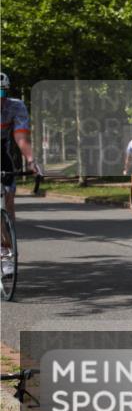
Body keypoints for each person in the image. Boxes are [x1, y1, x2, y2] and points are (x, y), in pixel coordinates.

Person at [1, 72, 40, 276]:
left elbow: (21, 138)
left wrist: (32, 160)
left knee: (7, 199)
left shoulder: (15, 106)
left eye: (2, 92)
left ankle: (6, 251)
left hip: (2, 150)